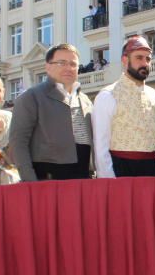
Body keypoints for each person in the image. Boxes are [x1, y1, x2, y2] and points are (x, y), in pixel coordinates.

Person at [8, 43, 94, 181]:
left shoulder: (85, 100)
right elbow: (18, 143)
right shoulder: (32, 97)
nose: (68, 68)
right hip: (47, 178)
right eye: (61, 63)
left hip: (82, 177)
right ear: (47, 67)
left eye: (73, 64)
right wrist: (30, 182)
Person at [92, 36, 155, 178]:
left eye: (148, 59)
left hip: (151, 170)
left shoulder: (154, 95)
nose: (145, 63)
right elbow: (101, 145)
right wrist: (108, 181)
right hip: (120, 170)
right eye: (139, 58)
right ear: (125, 60)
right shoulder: (107, 95)